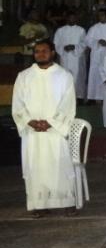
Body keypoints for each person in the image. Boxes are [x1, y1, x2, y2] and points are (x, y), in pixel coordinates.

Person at [11, 39, 77, 217]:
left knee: (60, 164)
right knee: (35, 167)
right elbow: (17, 105)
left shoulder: (64, 75)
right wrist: (30, 122)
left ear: (53, 53)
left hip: (55, 130)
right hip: (33, 132)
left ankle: (67, 202)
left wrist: (51, 123)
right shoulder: (24, 76)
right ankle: (39, 204)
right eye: (37, 51)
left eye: (44, 51)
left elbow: (67, 104)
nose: (40, 54)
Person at [54, 11, 87, 101]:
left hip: (76, 58)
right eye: (70, 17)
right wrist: (64, 48)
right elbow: (56, 44)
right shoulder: (60, 31)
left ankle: (78, 97)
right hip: (65, 57)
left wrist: (74, 47)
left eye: (73, 17)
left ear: (76, 19)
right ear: (67, 19)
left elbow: (84, 43)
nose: (72, 19)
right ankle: (65, 97)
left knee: (78, 77)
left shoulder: (81, 30)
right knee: (64, 76)